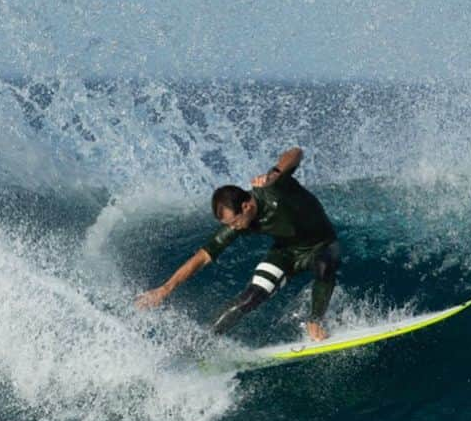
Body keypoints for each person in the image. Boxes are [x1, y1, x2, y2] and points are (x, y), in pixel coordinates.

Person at [135, 146, 340, 340]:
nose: (233, 227)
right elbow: (203, 256)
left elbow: (296, 153)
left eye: (234, 222)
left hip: (322, 244)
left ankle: (315, 322)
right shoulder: (241, 222)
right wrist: (165, 288)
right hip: (287, 251)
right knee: (250, 297)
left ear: (246, 206)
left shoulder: (273, 187)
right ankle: (205, 341)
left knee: (324, 265)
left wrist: (275, 173)